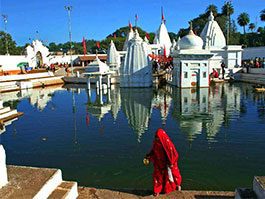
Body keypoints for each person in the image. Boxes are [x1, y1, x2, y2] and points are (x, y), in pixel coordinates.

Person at [145, 128, 182, 196]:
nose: (156, 139)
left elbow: (173, 154)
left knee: (173, 175)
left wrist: (171, 162)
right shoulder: (156, 143)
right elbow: (153, 150)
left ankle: (177, 185)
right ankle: (157, 191)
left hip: (168, 163)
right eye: (156, 137)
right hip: (159, 163)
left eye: (157, 138)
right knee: (158, 177)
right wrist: (149, 156)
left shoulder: (167, 144)